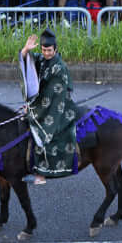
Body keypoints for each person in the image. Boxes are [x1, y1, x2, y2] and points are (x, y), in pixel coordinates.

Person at [20, 28, 77, 185]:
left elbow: (51, 96)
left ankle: (42, 174)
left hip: (58, 106)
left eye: (49, 50)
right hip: (44, 103)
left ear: (56, 49)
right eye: (44, 50)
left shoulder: (59, 68)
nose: (46, 53)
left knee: (43, 132)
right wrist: (25, 50)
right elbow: (29, 61)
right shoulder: (43, 60)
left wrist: (32, 109)